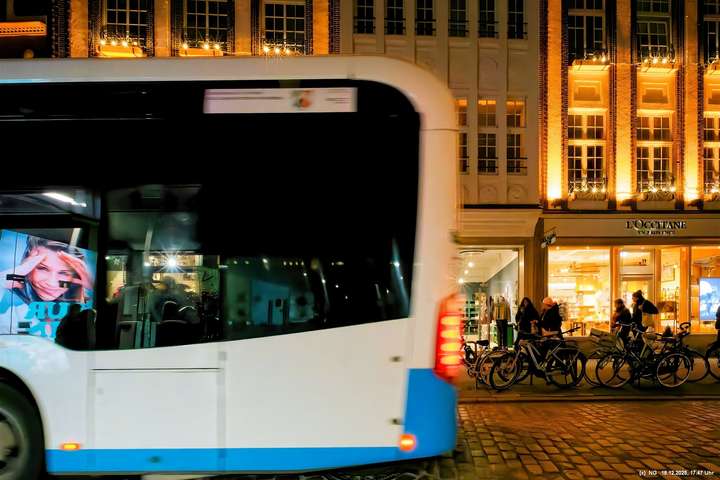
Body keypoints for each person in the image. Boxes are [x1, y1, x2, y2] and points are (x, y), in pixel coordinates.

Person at [0, 236, 94, 334]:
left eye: (64, 273)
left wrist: (94, 289)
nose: (51, 283)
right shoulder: (17, 315)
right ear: (27, 266)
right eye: (42, 268)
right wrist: (2, 281)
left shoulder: (85, 312)